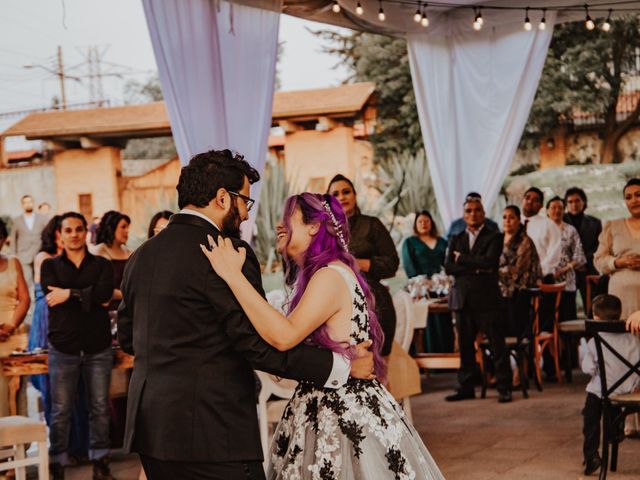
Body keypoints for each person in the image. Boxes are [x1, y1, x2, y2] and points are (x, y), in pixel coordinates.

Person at [117, 150, 375, 480]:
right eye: (244, 202)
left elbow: (128, 337)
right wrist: (343, 367)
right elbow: (256, 345)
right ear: (223, 198)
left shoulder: (141, 256)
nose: (244, 215)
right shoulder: (227, 253)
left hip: (151, 429)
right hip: (213, 429)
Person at [201, 192, 445, 479]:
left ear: (314, 226)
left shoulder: (329, 276)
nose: (279, 226)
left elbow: (283, 336)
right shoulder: (323, 274)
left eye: (287, 219)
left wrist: (232, 276)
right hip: (324, 403)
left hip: (340, 411)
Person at [41, 212, 115, 480]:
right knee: (60, 409)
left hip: (98, 346)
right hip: (63, 348)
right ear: (60, 235)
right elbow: (53, 294)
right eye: (68, 230)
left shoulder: (102, 265)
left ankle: (101, 462)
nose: (74, 234)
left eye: (78, 229)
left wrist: (68, 294)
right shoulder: (49, 267)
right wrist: (88, 295)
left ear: (86, 232)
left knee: (99, 407)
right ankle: (57, 463)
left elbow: (105, 294)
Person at [445, 197, 512, 403]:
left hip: (487, 299)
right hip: (463, 299)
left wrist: (463, 259)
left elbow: (490, 262)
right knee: (465, 346)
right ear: (464, 216)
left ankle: (504, 387)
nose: (473, 214)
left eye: (477, 210)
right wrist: (476, 266)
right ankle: (466, 387)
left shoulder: (494, 237)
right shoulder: (455, 238)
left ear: (483, 213)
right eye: (469, 211)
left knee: (497, 344)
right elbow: (448, 266)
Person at [328, 174, 399, 356]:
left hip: (374, 304)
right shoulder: (323, 230)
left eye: (346, 192)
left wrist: (359, 264)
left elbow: (392, 263)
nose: (342, 197)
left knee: (377, 367)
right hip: (336, 306)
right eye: (335, 194)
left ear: (355, 195)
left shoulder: (371, 225)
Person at [581, 294, 640, 475]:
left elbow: (588, 369)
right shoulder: (634, 339)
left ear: (596, 318)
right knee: (611, 406)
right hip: (627, 390)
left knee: (590, 413)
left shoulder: (595, 342)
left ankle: (591, 456)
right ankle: (615, 430)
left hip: (604, 392)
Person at [402, 210, 453, 352]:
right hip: (420, 290)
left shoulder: (442, 241)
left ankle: (445, 356)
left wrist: (441, 281)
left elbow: (449, 263)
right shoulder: (410, 243)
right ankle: (427, 359)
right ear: (415, 225)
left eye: (426, 221)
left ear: (432, 223)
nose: (423, 224)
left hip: (441, 288)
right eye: (420, 221)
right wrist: (424, 283)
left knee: (443, 321)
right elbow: (409, 267)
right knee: (425, 322)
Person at [28, 215, 63, 421]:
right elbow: (48, 289)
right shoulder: (43, 256)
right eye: (61, 231)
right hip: (47, 313)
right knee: (50, 372)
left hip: (65, 312)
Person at [594, 178, 640, 320]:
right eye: (628, 197)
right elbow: (598, 260)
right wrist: (619, 262)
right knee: (622, 338)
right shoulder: (613, 226)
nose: (634, 200)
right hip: (620, 297)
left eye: (638, 195)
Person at [0, 218, 30, 416]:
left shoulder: (13, 262)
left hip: (13, 337)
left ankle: (20, 444)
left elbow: (25, 298)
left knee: (16, 395)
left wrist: (10, 326)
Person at [498, 205, 542, 338]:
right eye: (505, 217)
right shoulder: (497, 239)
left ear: (519, 220)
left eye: (511, 217)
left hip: (520, 289)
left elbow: (517, 269)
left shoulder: (525, 241)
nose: (507, 221)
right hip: (499, 287)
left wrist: (494, 271)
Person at [547, 196, 587, 322]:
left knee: (567, 318)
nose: (557, 210)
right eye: (553, 207)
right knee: (548, 318)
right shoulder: (542, 229)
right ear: (547, 210)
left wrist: (564, 269)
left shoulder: (570, 230)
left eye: (560, 208)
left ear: (564, 210)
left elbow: (579, 256)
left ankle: (569, 342)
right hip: (545, 279)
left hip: (567, 280)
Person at [564, 187, 602, 311]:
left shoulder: (595, 222)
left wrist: (583, 261)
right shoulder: (561, 220)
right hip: (567, 269)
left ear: (584, 202)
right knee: (567, 306)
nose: (574, 204)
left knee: (592, 305)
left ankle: (592, 330)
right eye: (570, 202)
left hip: (589, 268)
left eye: (577, 201)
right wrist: (573, 263)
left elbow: (599, 245)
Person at [93, 211, 132, 312]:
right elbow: (98, 286)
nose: (127, 231)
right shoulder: (100, 251)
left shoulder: (129, 251)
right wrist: (129, 296)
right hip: (108, 311)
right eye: (123, 227)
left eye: (128, 227)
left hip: (129, 308)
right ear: (111, 228)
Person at [521, 187, 562, 280]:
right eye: (527, 198)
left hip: (541, 277)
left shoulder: (549, 225)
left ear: (541, 206)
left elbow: (554, 254)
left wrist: (537, 272)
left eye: (535, 200)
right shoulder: (512, 222)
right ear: (522, 200)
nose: (530, 202)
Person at [10, 194, 48, 285]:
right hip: (23, 256)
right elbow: (13, 240)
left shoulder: (42, 218)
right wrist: (13, 257)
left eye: (30, 202)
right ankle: (31, 299)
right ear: (22, 205)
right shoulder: (16, 220)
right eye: (25, 202)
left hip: (39, 254)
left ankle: (39, 299)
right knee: (27, 281)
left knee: (41, 281)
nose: (28, 204)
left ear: (33, 203)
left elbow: (47, 236)